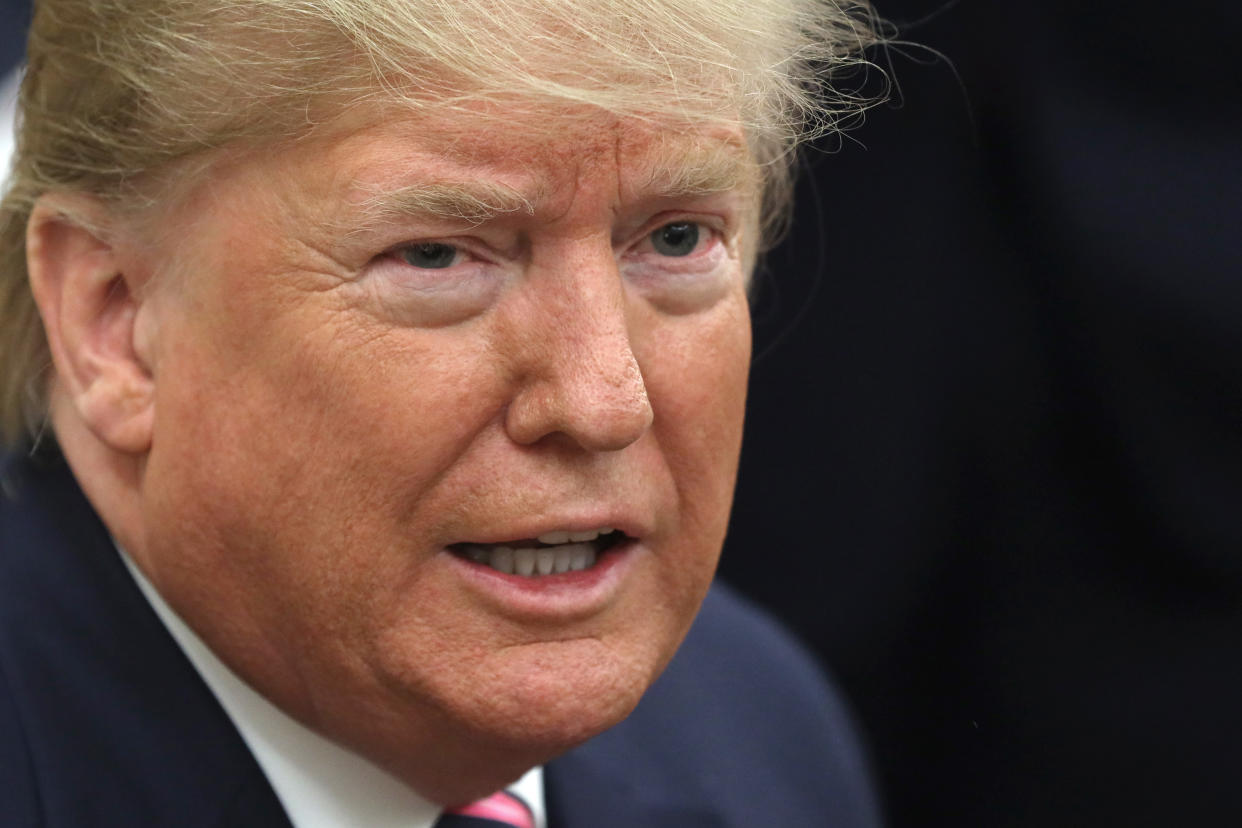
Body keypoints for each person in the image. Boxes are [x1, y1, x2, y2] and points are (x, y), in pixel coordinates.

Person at [0, 0, 885, 825]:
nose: (602, 402)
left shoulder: (755, 728)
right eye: (436, 256)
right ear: (112, 321)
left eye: (677, 238)